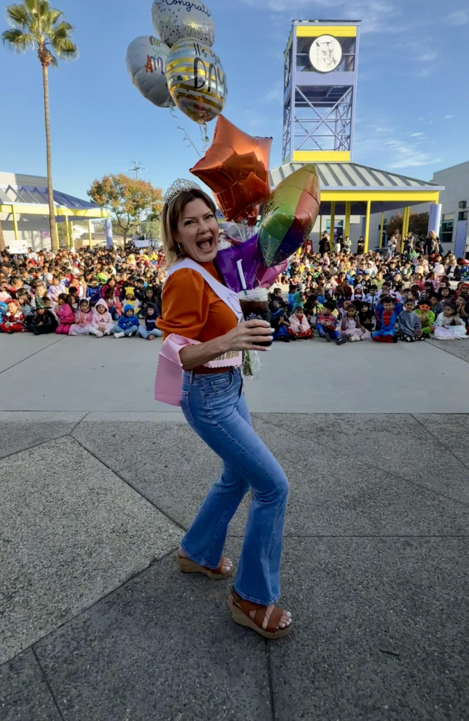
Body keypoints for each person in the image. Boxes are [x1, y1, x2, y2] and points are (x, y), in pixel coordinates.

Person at [156, 185, 292, 639]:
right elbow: (176, 353)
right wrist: (229, 340)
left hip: (230, 386)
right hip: (207, 395)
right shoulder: (184, 278)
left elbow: (263, 262)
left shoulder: (216, 265)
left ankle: (197, 552)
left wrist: (271, 231)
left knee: (236, 478)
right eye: (189, 222)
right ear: (177, 235)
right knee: (272, 486)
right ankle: (251, 598)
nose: (203, 228)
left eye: (207, 217)